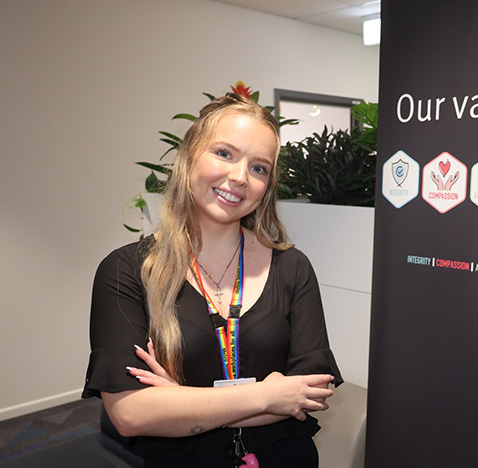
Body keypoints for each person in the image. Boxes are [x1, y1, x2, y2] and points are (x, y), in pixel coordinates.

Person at [82, 93, 342, 467]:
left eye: (259, 168)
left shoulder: (293, 267)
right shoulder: (126, 270)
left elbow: (310, 393)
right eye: (224, 153)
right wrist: (270, 395)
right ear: (188, 158)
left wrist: (180, 403)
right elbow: (130, 414)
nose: (239, 177)